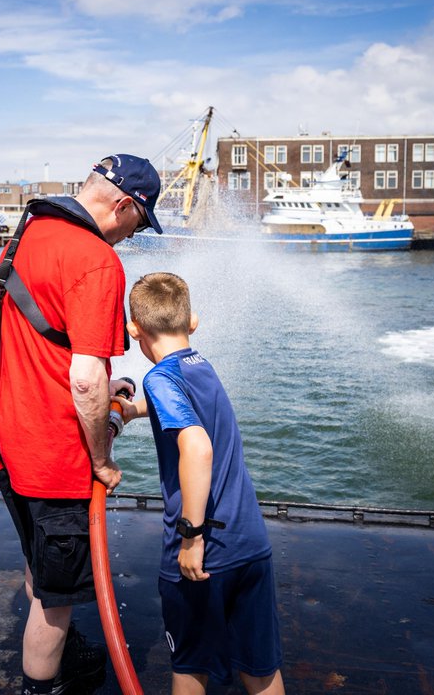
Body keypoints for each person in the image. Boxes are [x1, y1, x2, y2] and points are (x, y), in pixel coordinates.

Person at [0, 154, 164, 695]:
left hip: (6, 438)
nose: (133, 237)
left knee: (39, 564)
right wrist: (103, 460)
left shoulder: (28, 234)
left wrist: (108, 391)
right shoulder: (97, 260)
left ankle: (62, 655)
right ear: (124, 206)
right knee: (56, 602)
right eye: (138, 223)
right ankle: (41, 686)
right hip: (55, 457)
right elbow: (85, 380)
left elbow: (47, 346)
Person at [122, 272, 286, 695]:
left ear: (133, 329)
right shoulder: (201, 365)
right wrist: (131, 410)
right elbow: (181, 404)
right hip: (251, 545)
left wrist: (191, 538)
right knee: (260, 668)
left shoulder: (159, 378)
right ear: (192, 322)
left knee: (191, 666)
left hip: (205, 555)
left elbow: (197, 449)